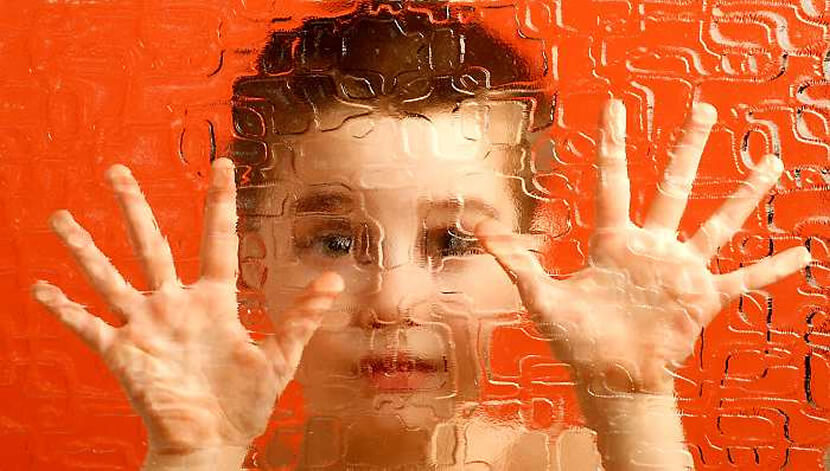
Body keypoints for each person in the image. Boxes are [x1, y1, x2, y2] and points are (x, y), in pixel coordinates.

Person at [30, 6, 812, 471]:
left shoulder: (586, 460)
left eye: (454, 240)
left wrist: (634, 403)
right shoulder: (215, 457)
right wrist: (191, 455)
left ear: (531, 255)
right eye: (334, 241)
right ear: (248, 258)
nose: (395, 300)